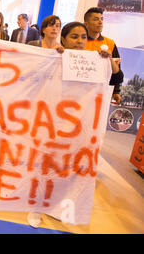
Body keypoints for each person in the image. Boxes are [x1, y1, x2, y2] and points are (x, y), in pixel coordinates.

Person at [27, 21, 121, 228]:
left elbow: (117, 75)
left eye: (83, 37)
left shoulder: (97, 59)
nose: (79, 41)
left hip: (80, 123)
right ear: (64, 39)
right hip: (51, 119)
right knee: (46, 161)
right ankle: (36, 206)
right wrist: (55, 56)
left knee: (69, 165)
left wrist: (109, 62)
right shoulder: (55, 56)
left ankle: (58, 205)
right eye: (74, 37)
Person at [84, 7, 123, 104]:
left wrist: (116, 91)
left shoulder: (110, 43)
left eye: (102, 19)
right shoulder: (80, 42)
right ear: (86, 23)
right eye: (96, 19)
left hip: (100, 92)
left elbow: (116, 69)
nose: (100, 22)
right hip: (81, 90)